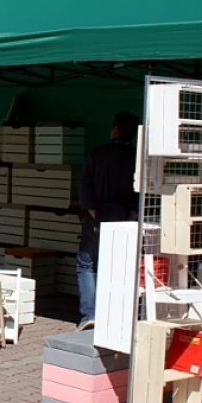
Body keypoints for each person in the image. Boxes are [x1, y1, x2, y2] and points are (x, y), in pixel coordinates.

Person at [76, 111, 140, 331]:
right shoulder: (137, 158)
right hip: (125, 217)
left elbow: (84, 185)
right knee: (119, 267)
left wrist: (92, 213)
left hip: (98, 215)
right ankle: (117, 314)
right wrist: (132, 215)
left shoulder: (97, 153)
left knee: (87, 264)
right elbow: (140, 193)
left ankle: (90, 315)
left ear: (114, 129)